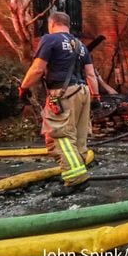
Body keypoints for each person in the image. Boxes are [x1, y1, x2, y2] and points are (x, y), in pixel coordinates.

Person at [19, 12, 99, 192]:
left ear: (52, 23)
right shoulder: (80, 45)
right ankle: (78, 172)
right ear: (68, 24)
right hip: (83, 92)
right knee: (78, 137)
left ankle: (76, 179)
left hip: (63, 93)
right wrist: (96, 97)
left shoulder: (50, 40)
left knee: (58, 136)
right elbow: (91, 74)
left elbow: (38, 69)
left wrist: (23, 87)